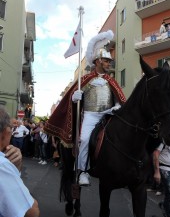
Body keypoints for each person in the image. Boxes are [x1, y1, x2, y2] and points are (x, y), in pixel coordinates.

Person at [44, 30, 126, 186]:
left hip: (108, 115)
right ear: (97, 61)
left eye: (109, 61)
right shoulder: (85, 80)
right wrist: (74, 98)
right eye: (106, 60)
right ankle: (83, 171)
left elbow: (119, 99)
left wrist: (116, 106)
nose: (109, 63)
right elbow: (71, 99)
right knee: (85, 140)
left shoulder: (111, 80)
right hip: (90, 115)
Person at [0, 106, 40, 217]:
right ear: (5, 133)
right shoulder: (2, 166)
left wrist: (15, 166)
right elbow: (32, 213)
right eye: (11, 128)